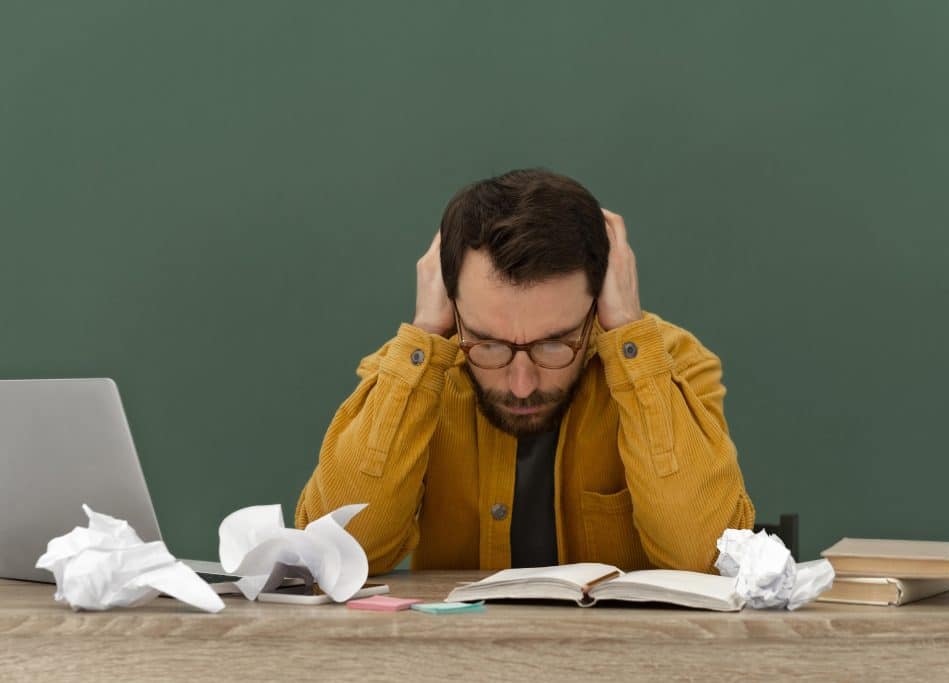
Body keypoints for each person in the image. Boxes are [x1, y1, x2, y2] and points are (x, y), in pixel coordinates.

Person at [295, 168, 754, 575]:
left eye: (554, 344)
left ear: (597, 307)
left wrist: (629, 337)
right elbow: (332, 557)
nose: (521, 384)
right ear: (451, 306)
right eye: (488, 344)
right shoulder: (416, 374)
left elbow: (705, 559)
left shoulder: (674, 366)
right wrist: (424, 336)